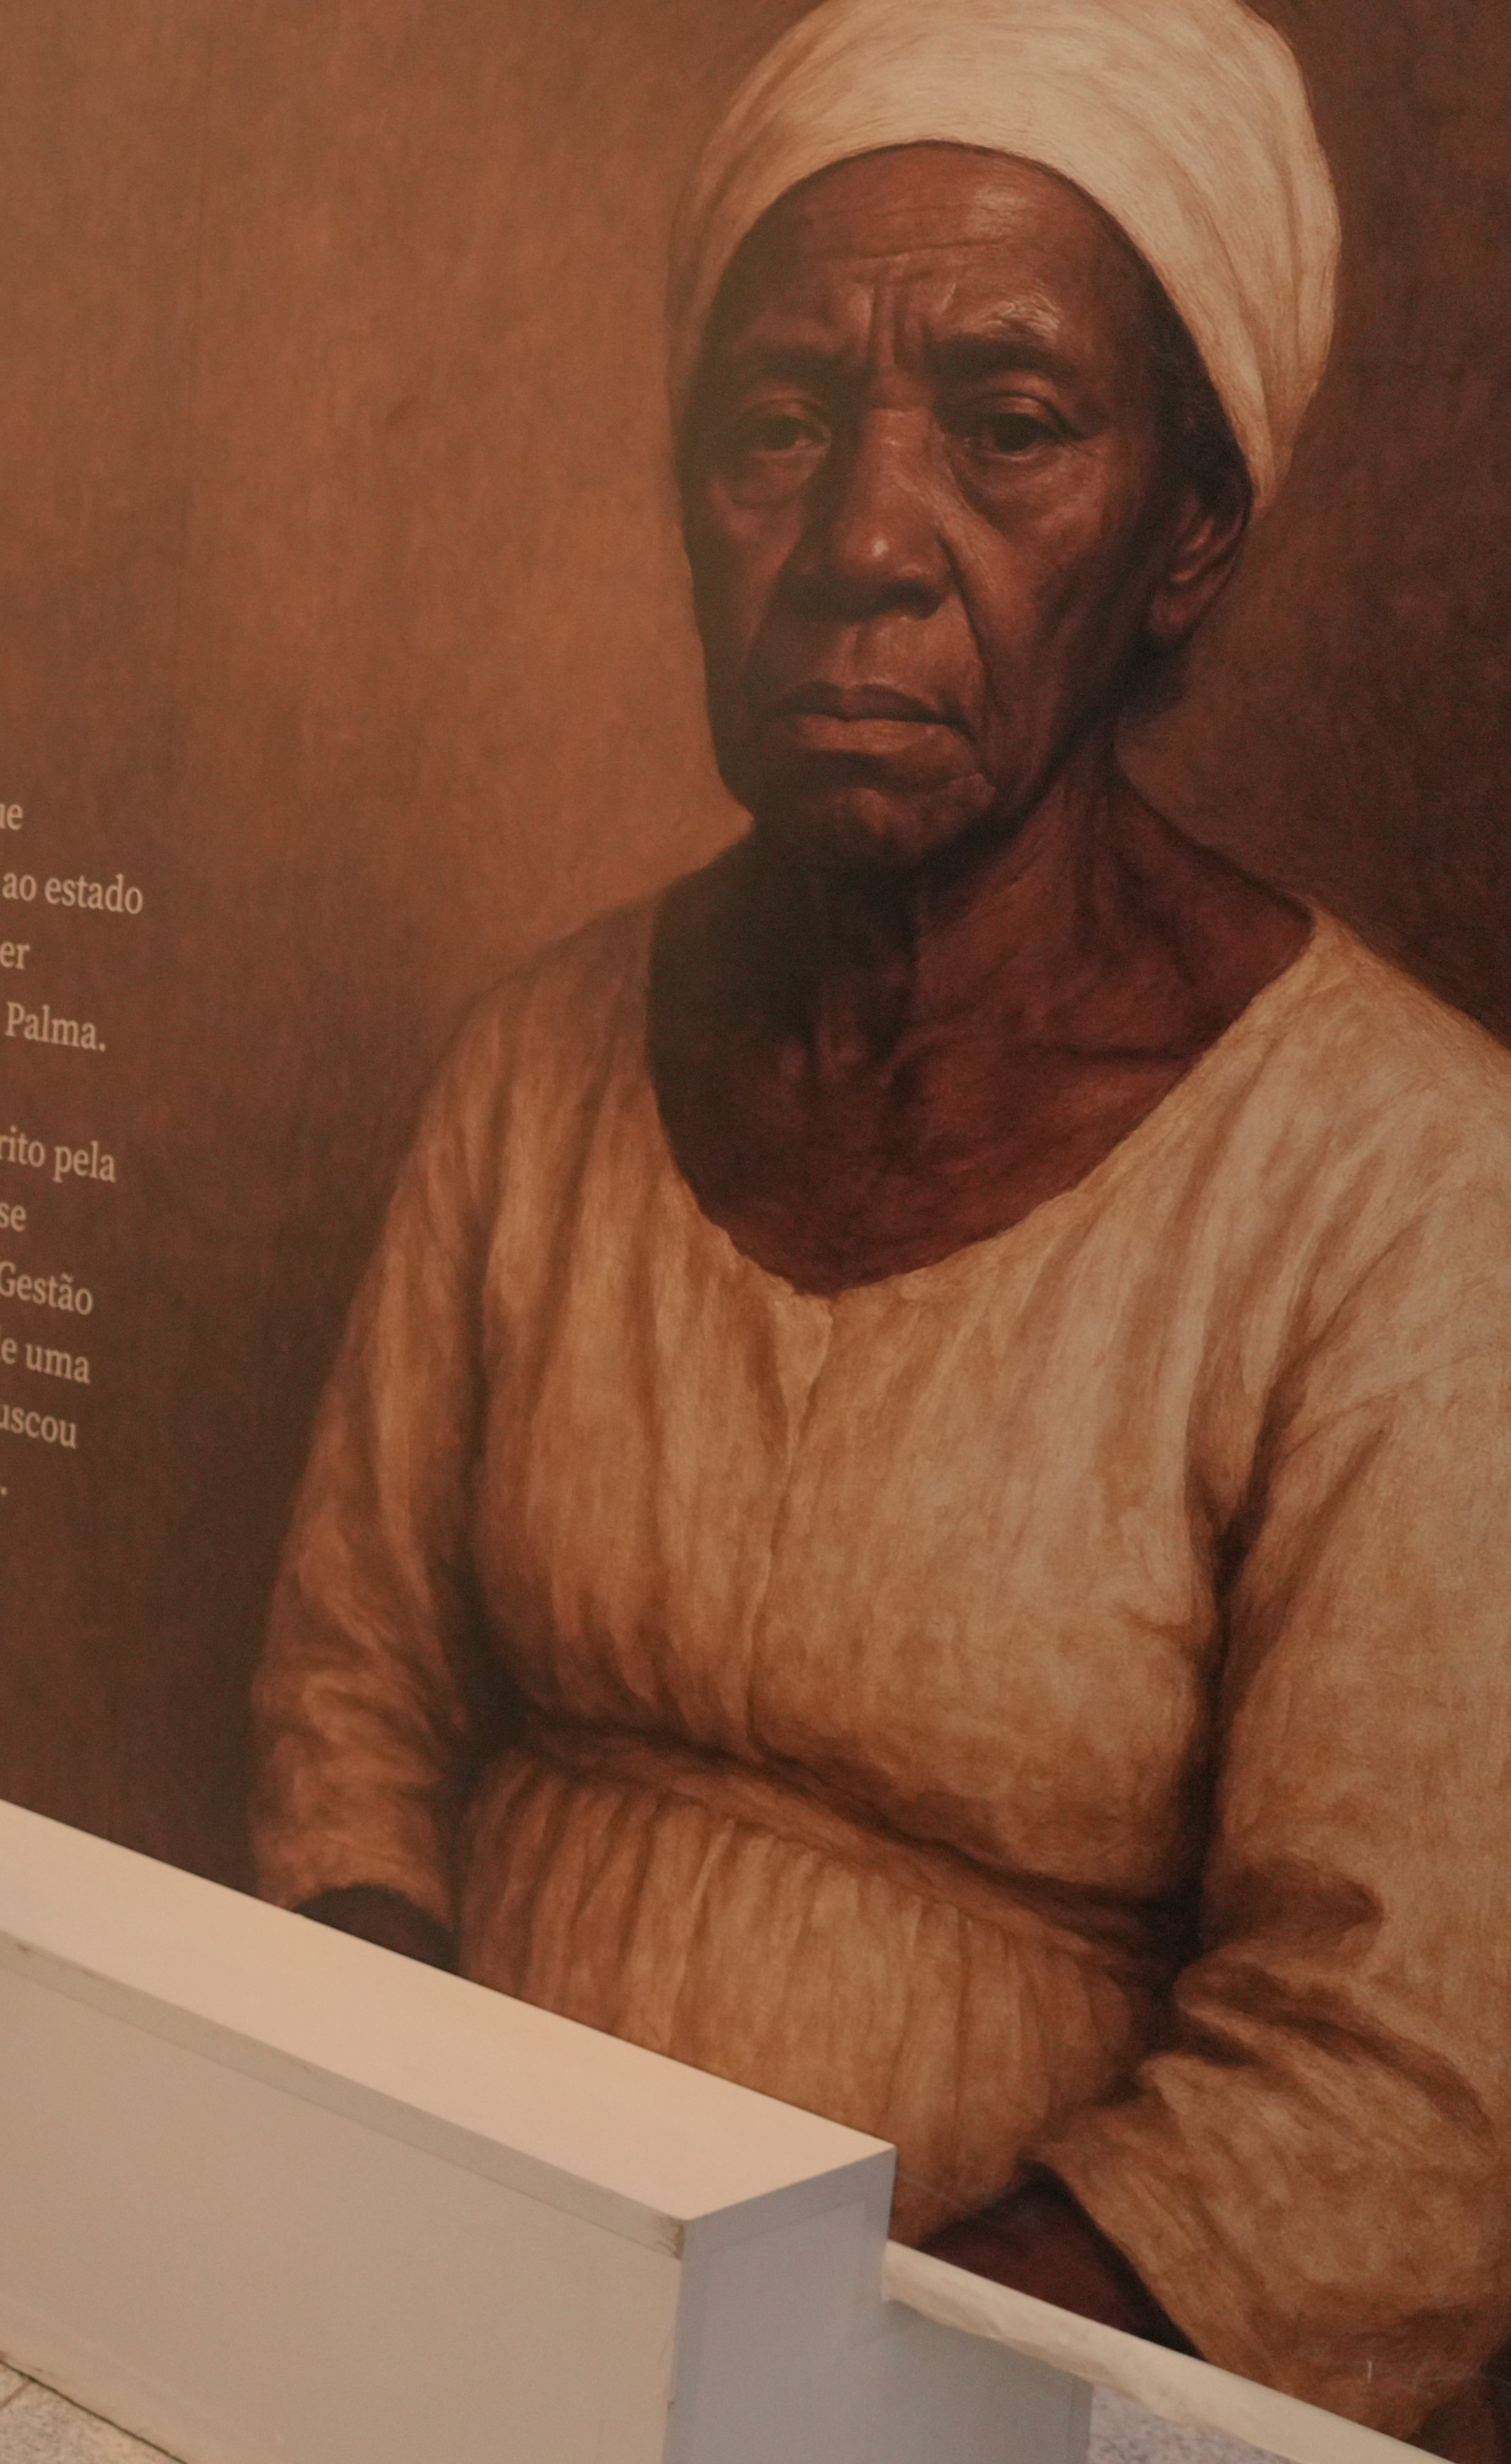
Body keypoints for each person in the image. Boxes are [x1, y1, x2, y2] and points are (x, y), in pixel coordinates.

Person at [248, 0, 1511, 2441]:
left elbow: (1401, 2074)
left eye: (1013, 429)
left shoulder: (1405, 1188)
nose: (859, 545)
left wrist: (841, 2396)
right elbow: (352, 1702)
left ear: (1191, 531)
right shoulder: (534, 1062)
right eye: (778, 426)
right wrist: (414, 2218)